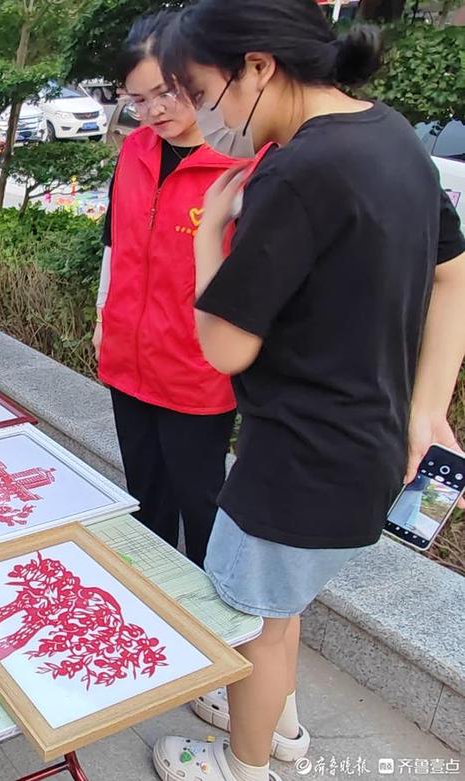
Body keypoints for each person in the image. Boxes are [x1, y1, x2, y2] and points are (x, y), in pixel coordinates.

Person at [150, 3, 465, 781]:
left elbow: (225, 344)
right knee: (280, 608)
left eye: (205, 89)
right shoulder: (391, 135)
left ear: (257, 66)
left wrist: (206, 239)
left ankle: (244, 763)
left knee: (255, 617)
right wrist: (429, 405)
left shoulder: (296, 173)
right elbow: (454, 273)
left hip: (293, 457)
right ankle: (277, 727)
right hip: (366, 447)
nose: (209, 113)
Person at [95, 10, 248, 566]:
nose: (154, 111)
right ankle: (156, 610)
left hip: (195, 371)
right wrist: (101, 317)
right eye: (139, 100)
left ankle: (212, 629)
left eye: (167, 92)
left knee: (202, 505)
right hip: (127, 361)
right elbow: (115, 241)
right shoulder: (134, 152)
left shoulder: (239, 164)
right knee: (145, 500)